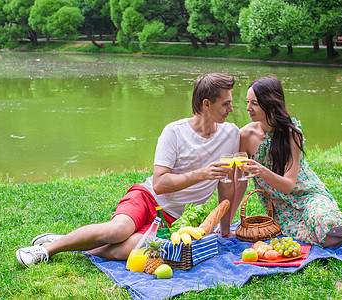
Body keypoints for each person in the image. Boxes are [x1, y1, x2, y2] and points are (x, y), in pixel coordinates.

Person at [16, 73, 240, 266]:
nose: (231, 109)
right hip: (148, 197)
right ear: (206, 104)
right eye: (225, 104)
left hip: (175, 219)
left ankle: (77, 243)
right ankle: (46, 250)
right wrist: (202, 174)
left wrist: (226, 228)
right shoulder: (174, 132)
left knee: (136, 248)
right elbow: (160, 184)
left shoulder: (230, 134)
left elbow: (226, 185)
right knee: (118, 231)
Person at [231, 75, 342, 248]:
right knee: (328, 240)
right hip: (282, 208)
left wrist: (261, 171)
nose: (248, 108)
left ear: (270, 104)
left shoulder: (292, 134)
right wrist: (227, 225)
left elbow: (289, 185)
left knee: (324, 221)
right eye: (248, 102)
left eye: (254, 103)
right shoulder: (245, 135)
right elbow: (240, 185)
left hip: (309, 195)